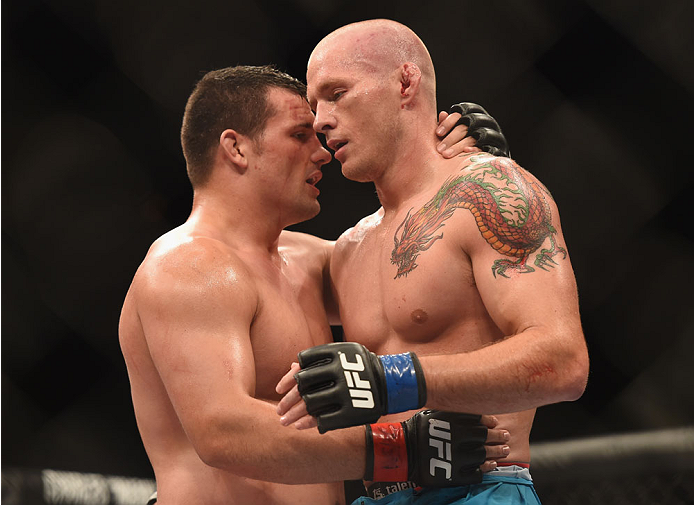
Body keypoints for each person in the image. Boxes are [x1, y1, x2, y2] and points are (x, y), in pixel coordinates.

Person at [119, 65, 513, 505]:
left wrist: (465, 173)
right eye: (299, 135)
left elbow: (427, 269)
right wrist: (402, 449)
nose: (322, 152)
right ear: (236, 148)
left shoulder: (305, 262)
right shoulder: (189, 264)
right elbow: (223, 431)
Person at [276, 19, 589, 504]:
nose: (320, 120)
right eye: (315, 105)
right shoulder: (349, 249)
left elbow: (564, 362)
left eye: (337, 93)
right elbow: (251, 255)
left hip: (480, 488)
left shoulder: (489, 190)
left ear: (405, 82)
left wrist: (389, 379)